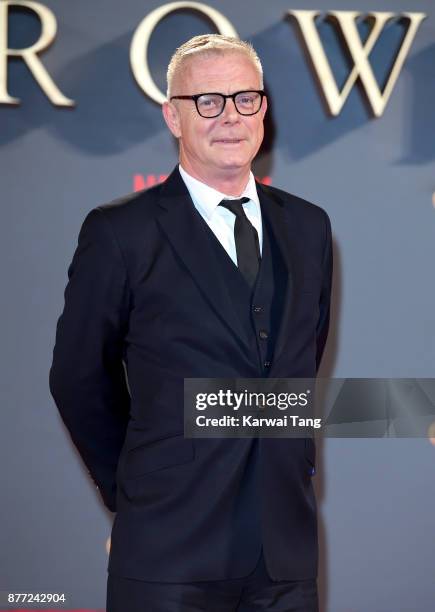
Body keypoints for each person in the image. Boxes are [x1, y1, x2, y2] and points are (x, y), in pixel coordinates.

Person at [49, 34, 332, 612]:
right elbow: (79, 378)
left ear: (264, 109)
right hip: (167, 552)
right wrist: (137, 488)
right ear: (173, 116)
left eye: (245, 99)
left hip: (285, 553)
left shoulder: (309, 227)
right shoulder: (120, 232)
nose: (230, 116)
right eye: (208, 101)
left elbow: (301, 363)